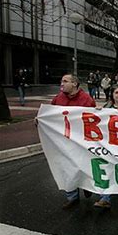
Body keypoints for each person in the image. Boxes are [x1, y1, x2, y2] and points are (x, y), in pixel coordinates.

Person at [51, 74, 96, 209]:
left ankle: (87, 186)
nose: (62, 84)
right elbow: (49, 115)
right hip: (64, 142)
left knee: (83, 166)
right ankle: (72, 197)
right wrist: (40, 120)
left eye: (65, 81)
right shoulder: (58, 98)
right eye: (61, 81)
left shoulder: (86, 100)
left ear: (75, 84)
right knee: (68, 169)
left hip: (82, 142)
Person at [94, 84, 118, 209]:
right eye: (116, 92)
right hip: (111, 145)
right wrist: (98, 113)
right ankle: (105, 198)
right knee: (110, 169)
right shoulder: (106, 108)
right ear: (112, 95)